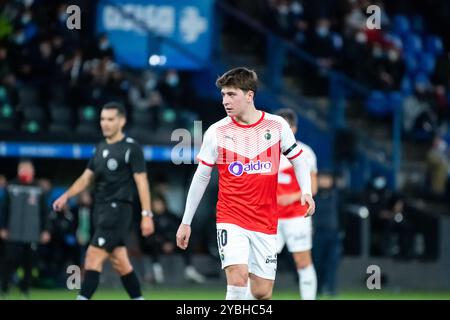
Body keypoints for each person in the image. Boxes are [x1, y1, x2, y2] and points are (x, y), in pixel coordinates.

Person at [176, 67, 315, 300]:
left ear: (249, 95)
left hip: (266, 219)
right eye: (223, 95)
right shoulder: (216, 131)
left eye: (232, 94)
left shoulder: (276, 126)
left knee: (261, 292)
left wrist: (306, 192)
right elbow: (201, 177)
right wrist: (186, 221)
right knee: (238, 278)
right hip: (231, 218)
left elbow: (298, 159)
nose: (225, 101)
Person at [52, 102, 154, 300]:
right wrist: (66, 195)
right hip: (101, 210)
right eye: (102, 119)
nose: (105, 123)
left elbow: (142, 182)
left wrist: (147, 215)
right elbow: (86, 178)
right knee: (121, 262)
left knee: (92, 257)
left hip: (117, 210)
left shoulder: (131, 148)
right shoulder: (99, 148)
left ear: (122, 121)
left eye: (110, 119)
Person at [275, 108, 318, 300]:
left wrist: (291, 197)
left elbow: (313, 187)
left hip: (296, 216)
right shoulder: (265, 152)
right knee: (260, 262)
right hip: (270, 217)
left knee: (302, 261)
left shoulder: (305, 153)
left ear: (294, 128)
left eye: (286, 126)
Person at [0, 159, 51, 298]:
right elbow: (4, 209)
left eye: (29, 169)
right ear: (18, 170)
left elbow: (44, 212)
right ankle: (4, 288)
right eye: (23, 168)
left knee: (29, 264)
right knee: (9, 262)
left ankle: (25, 290)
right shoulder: (11, 186)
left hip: (32, 234)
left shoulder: (38, 189)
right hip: (13, 233)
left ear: (33, 171)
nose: (26, 171)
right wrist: (3, 227)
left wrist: (45, 230)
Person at [141, 193, 205, 284]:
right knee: (151, 243)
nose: (157, 206)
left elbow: (177, 230)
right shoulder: (151, 219)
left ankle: (189, 270)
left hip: (173, 243)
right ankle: (157, 271)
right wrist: (162, 242)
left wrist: (170, 242)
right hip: (158, 245)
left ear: (164, 203)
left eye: (159, 203)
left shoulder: (171, 216)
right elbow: (150, 235)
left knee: (185, 243)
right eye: (155, 204)